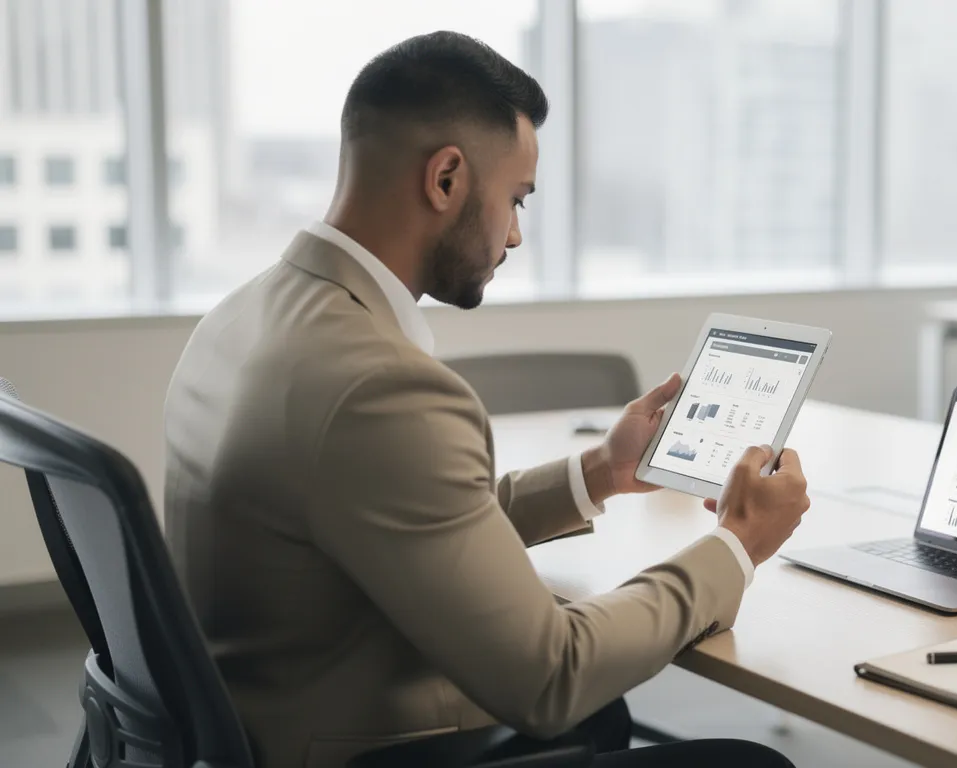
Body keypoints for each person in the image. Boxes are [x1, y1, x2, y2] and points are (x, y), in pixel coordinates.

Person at [164, 31, 810, 768]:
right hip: (354, 747)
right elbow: (552, 676)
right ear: (445, 179)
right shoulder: (378, 386)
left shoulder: (242, 316)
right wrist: (737, 544)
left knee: (604, 721)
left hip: (261, 714)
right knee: (750, 764)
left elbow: (406, 521)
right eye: (515, 198)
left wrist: (599, 471)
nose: (515, 234)